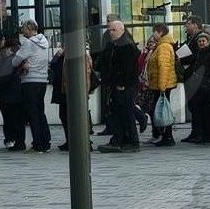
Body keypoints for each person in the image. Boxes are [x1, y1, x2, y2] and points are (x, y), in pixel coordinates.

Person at [97, 20, 141, 153]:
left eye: (113, 30)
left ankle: (132, 141)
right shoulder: (114, 44)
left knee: (126, 114)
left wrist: (121, 84)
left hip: (125, 86)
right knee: (118, 114)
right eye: (109, 30)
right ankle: (119, 139)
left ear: (122, 30)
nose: (111, 32)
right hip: (117, 84)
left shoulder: (126, 45)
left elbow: (128, 68)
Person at [11, 19, 52, 154]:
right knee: (40, 111)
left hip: (30, 80)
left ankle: (38, 144)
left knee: (32, 113)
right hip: (42, 80)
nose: (22, 31)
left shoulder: (29, 43)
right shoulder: (44, 42)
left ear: (29, 29)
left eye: (23, 28)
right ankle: (45, 141)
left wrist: (21, 63)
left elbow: (15, 60)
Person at [51, 41, 95, 151]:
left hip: (75, 92)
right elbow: (53, 64)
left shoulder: (80, 56)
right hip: (64, 91)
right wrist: (58, 54)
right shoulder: (64, 56)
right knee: (64, 116)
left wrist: (85, 91)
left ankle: (84, 142)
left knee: (77, 118)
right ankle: (70, 140)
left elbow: (87, 73)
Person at [183, 30, 210, 145]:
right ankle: (206, 135)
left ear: (208, 42)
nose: (201, 43)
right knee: (204, 112)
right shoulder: (200, 54)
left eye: (203, 41)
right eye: (199, 41)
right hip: (201, 87)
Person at [145, 23, 178, 147]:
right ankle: (165, 135)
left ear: (159, 32)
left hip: (162, 85)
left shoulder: (163, 47)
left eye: (154, 32)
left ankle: (167, 136)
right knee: (162, 109)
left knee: (163, 110)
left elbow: (163, 67)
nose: (153, 35)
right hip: (160, 84)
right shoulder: (162, 46)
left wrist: (162, 87)